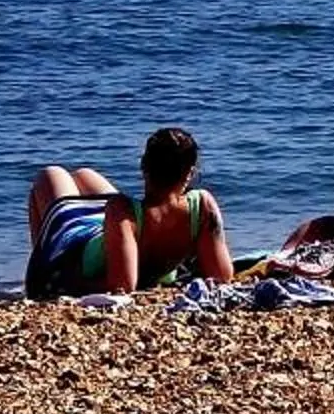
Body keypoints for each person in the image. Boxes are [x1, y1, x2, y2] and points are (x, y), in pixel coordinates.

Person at [25, 126, 237, 298]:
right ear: (190, 174)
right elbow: (221, 275)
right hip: (117, 228)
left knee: (51, 174)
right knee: (84, 175)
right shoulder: (201, 206)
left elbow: (123, 286)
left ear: (143, 166)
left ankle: (42, 258)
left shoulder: (122, 210)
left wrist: (64, 282)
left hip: (75, 246)